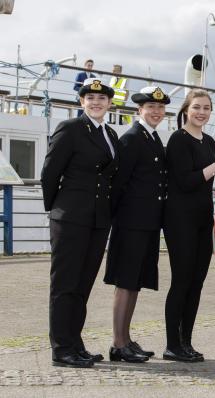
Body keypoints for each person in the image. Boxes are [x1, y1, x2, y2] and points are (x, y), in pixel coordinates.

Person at [41, 78, 119, 368]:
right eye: (90, 98)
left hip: (98, 219)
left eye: (102, 99)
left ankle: (75, 342)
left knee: (83, 284)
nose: (96, 102)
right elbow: (50, 172)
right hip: (71, 217)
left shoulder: (109, 132)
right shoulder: (71, 129)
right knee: (64, 285)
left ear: (110, 103)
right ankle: (61, 348)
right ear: (81, 102)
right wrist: (56, 210)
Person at [163, 89, 215, 362]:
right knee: (181, 280)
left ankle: (186, 342)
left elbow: (206, 185)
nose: (201, 113)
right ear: (186, 110)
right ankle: (172, 344)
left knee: (197, 282)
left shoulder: (208, 142)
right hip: (179, 219)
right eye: (196, 108)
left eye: (206, 108)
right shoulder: (178, 140)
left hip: (203, 219)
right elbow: (185, 181)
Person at [104, 86, 170, 362]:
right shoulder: (132, 138)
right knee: (125, 282)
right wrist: (121, 220)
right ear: (139, 110)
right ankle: (118, 344)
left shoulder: (151, 138)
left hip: (147, 223)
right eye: (150, 107)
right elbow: (118, 184)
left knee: (135, 283)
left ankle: (126, 339)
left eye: (159, 108)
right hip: (131, 223)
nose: (155, 111)